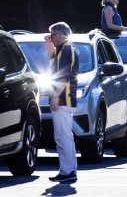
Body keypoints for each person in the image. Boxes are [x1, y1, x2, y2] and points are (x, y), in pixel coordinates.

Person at [44, 22, 79, 182]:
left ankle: (67, 171)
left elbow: (64, 76)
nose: (51, 39)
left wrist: (56, 96)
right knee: (65, 136)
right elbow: (51, 56)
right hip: (64, 100)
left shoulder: (66, 50)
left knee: (62, 136)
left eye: (52, 36)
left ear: (59, 35)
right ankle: (69, 170)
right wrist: (47, 42)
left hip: (63, 100)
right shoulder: (62, 49)